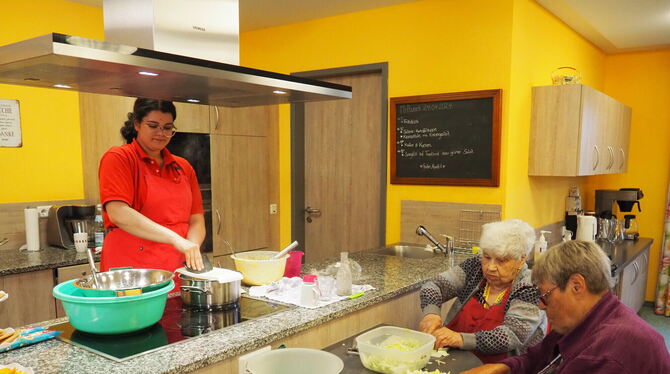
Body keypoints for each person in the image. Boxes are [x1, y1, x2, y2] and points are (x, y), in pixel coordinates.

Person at [463, 240, 670, 374]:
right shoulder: (585, 320)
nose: (541, 306)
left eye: (545, 296)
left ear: (576, 286)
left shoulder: (605, 355)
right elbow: (538, 357)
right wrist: (501, 368)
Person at [98, 98, 205, 280]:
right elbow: (119, 213)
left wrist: (191, 250)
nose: (161, 133)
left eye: (167, 127)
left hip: (177, 268)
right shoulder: (119, 158)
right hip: (132, 271)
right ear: (137, 124)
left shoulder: (183, 167)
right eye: (153, 125)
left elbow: (196, 219)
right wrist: (176, 239)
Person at [419, 219, 547, 364]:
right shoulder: (475, 267)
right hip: (454, 358)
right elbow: (434, 286)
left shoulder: (530, 287)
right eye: (487, 257)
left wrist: (460, 339)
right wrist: (431, 314)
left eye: (501, 260)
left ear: (522, 259)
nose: (490, 267)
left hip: (503, 367)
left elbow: (511, 335)